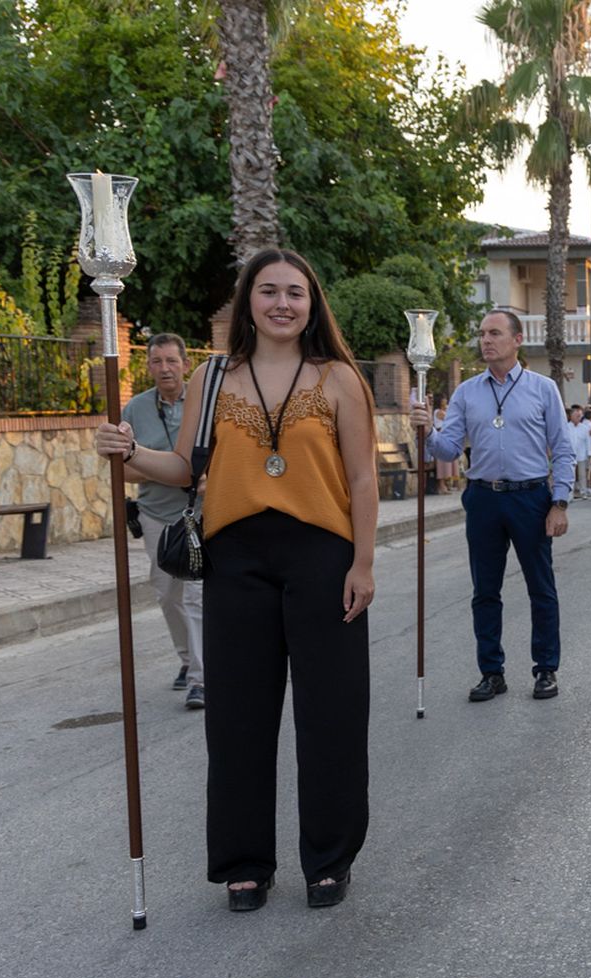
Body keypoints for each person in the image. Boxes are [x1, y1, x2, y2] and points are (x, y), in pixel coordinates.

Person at [95, 248, 377, 912]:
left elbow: (363, 478)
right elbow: (185, 468)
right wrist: (127, 453)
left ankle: (329, 858)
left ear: (313, 304)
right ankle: (244, 861)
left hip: (323, 557)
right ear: (249, 299)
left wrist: (363, 562)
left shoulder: (339, 378)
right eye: (270, 290)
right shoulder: (212, 378)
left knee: (332, 713)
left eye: (296, 293)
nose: (283, 303)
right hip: (234, 559)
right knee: (238, 718)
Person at [412, 309, 573, 702]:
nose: (486, 340)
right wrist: (428, 430)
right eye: (483, 334)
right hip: (483, 497)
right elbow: (449, 448)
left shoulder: (543, 388)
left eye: (495, 333)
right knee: (485, 591)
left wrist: (560, 501)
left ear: (517, 340)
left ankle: (546, 669)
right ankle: (491, 672)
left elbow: (563, 448)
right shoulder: (467, 392)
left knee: (541, 587)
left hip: (530, 497)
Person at [121, 333, 206, 708]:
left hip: (201, 513)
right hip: (155, 514)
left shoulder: (206, 403)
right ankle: (188, 661)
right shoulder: (135, 410)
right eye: (157, 361)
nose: (165, 368)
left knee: (196, 594)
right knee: (167, 593)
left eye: (172, 361)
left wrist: (153, 464)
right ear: (148, 366)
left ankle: (202, 679)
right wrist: (172, 471)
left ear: (186, 364)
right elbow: (124, 469)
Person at [567, 403, 591, 498]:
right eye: (576, 416)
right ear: (571, 416)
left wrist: (589, 453)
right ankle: (570, 493)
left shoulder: (584, 428)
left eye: (579, 416)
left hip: (582, 454)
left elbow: (588, 441)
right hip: (570, 455)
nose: (578, 418)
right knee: (571, 475)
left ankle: (583, 492)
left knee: (582, 475)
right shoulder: (566, 427)